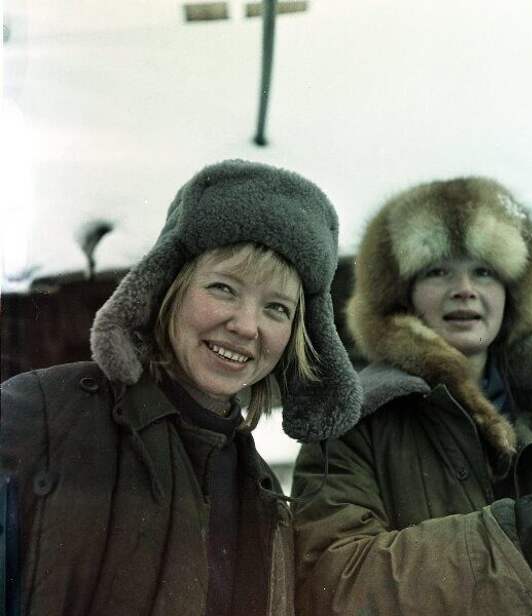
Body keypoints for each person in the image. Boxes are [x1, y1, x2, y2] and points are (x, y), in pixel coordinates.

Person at [0, 159, 362, 616]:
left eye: (276, 308)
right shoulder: (43, 413)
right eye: (224, 288)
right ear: (168, 286)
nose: (246, 325)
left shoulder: (264, 492)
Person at [291, 177, 532, 615]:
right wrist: (512, 541)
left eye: (484, 271)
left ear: (514, 293)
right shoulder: (351, 419)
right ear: (400, 296)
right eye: (437, 270)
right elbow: (332, 583)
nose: (464, 288)